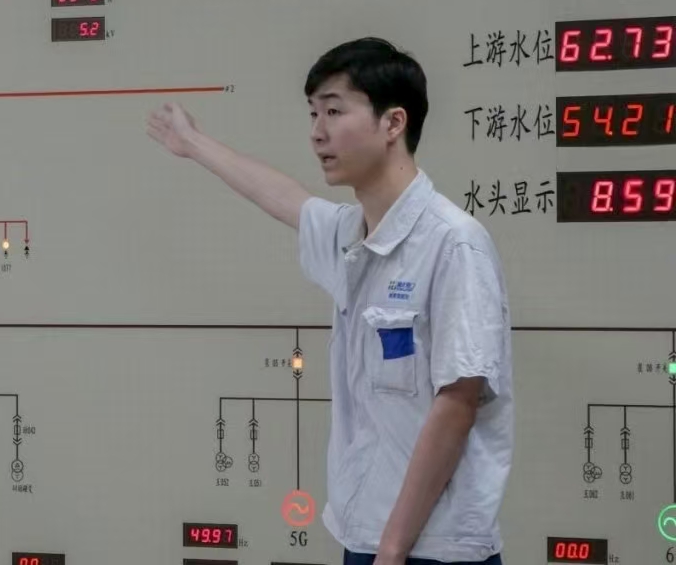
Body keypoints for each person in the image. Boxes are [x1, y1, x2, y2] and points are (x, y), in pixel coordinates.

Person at [146, 37, 513, 565]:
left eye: (335, 111)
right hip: (364, 533)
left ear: (393, 123)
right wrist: (193, 143)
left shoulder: (453, 244)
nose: (317, 131)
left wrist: (393, 548)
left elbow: (456, 404)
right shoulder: (352, 235)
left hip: (433, 547)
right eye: (313, 113)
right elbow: (284, 197)